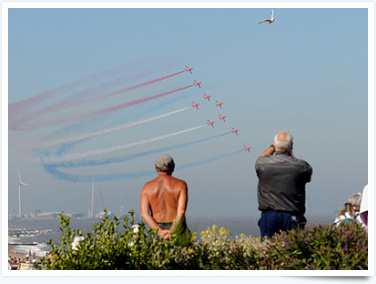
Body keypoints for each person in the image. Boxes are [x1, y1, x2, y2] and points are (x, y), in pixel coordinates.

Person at [255, 131, 313, 238]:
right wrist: (289, 151)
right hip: (293, 215)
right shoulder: (301, 166)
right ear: (291, 146)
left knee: (268, 250)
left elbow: (260, 158)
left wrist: (273, 147)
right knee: (294, 250)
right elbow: (307, 174)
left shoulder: (263, 164)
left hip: (270, 215)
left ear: (275, 144)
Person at [140, 154, 190, 241]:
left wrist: (159, 232)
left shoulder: (147, 187)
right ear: (173, 167)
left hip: (156, 228)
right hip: (177, 228)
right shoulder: (181, 185)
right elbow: (181, 212)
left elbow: (144, 214)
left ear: (155, 167)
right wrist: (172, 231)